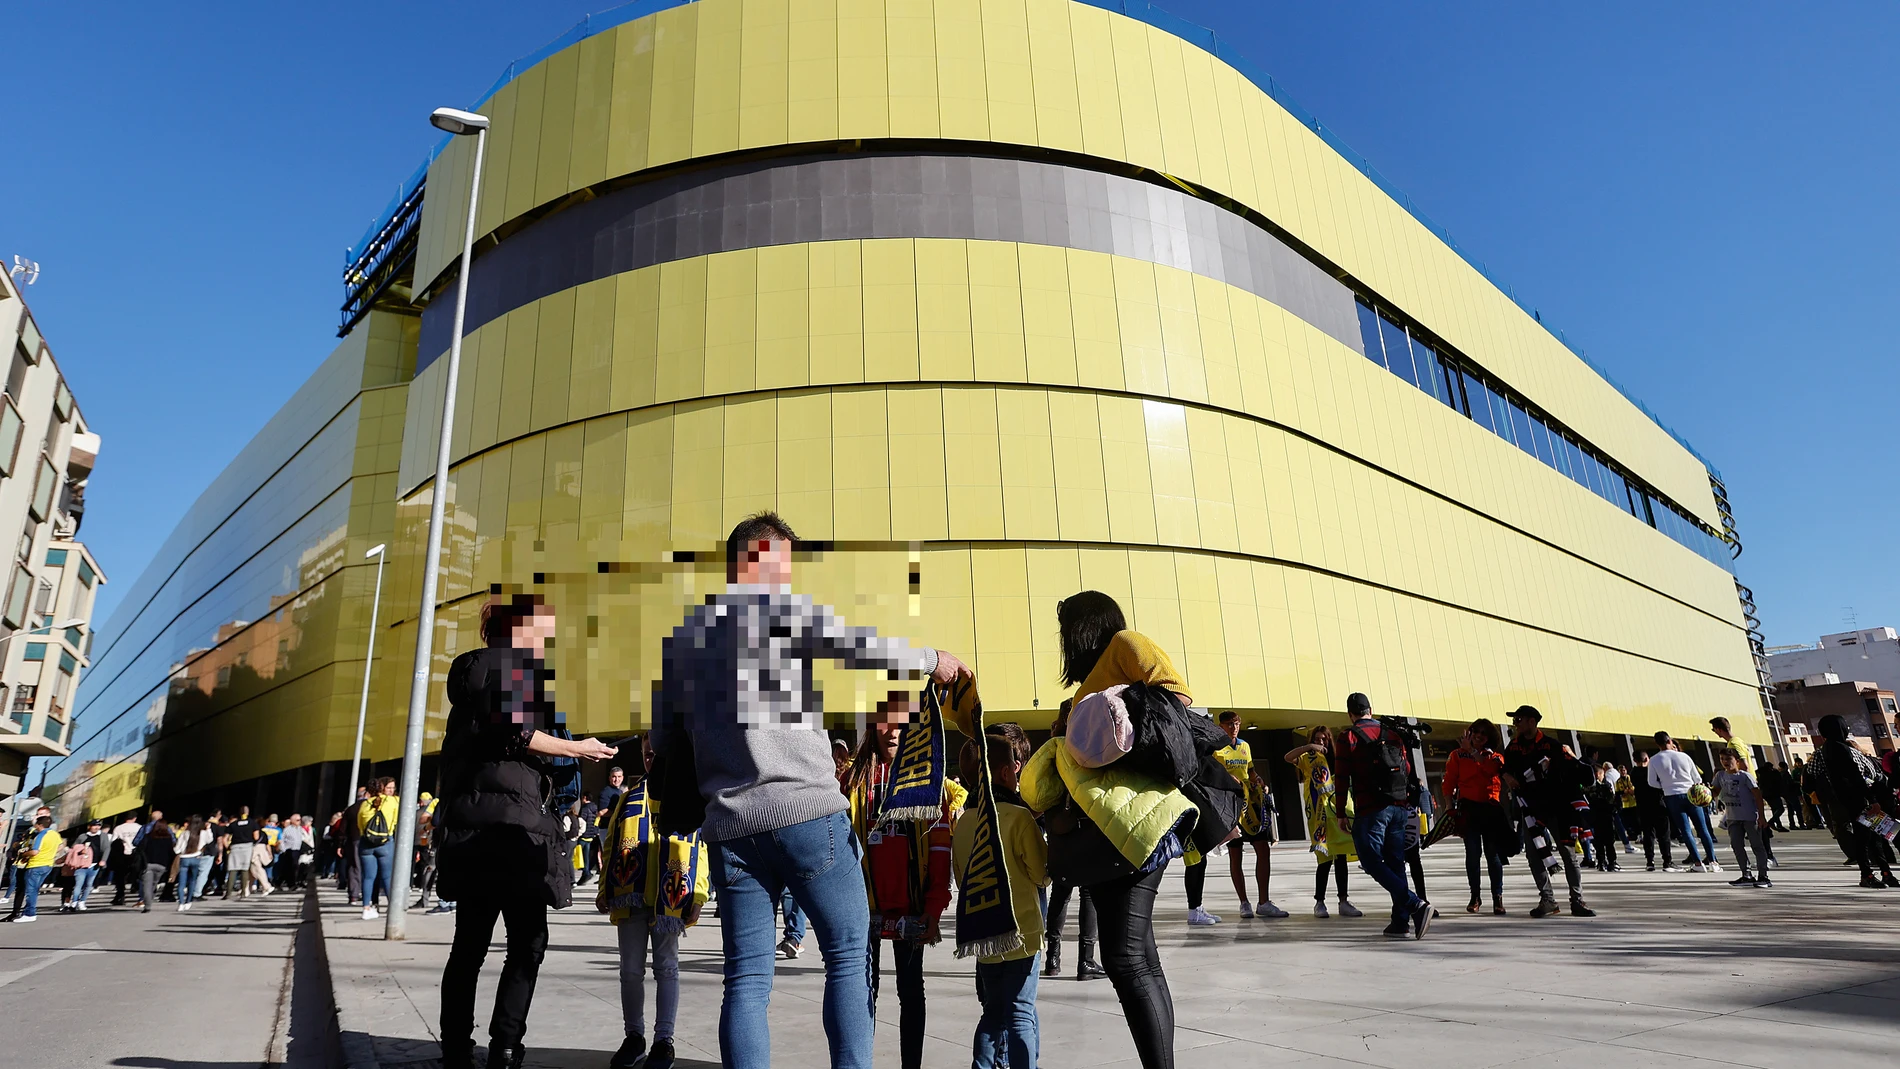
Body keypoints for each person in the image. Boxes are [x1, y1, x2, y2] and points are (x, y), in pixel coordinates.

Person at [650, 512, 965, 1069]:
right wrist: (931, 661)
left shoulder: (684, 641)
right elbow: (856, 646)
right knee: (846, 955)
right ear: (758, 557)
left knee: (745, 979)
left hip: (732, 827)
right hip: (805, 811)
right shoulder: (779, 609)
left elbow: (663, 743)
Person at [436, 593, 619, 1069]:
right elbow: (513, 731)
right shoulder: (516, 669)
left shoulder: (469, 679)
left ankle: (456, 1048)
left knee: (469, 947)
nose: (546, 638)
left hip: (471, 827)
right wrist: (576, 749)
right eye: (541, 628)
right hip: (514, 831)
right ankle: (505, 1046)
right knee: (528, 942)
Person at [1017, 590, 1197, 1069]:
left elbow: (1176, 699)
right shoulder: (1090, 681)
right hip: (1114, 826)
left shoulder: (1125, 644)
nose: (1062, 640)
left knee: (1125, 959)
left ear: (1084, 626)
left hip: (1138, 823)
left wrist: (1110, 728)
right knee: (1139, 958)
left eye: (1066, 629)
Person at [837, 690, 956, 1069]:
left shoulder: (926, 779)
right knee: (862, 994)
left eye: (901, 722)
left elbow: (939, 850)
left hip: (912, 913)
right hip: (862, 912)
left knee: (911, 994)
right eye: (885, 721)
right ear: (872, 724)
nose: (892, 731)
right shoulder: (851, 779)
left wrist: (934, 908)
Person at [599, 736, 708, 1069]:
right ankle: (634, 1037)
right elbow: (612, 843)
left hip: (670, 898)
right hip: (630, 895)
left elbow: (699, 845)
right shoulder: (628, 796)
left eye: (656, 752)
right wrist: (605, 888)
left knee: (667, 969)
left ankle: (664, 1040)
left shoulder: (688, 793)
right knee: (630, 971)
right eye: (647, 753)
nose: (651, 758)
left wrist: (699, 893)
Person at [954, 734, 1048, 1069]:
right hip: (1021, 935)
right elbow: (1041, 874)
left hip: (984, 933)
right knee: (1021, 1014)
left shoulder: (963, 822)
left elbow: (961, 875)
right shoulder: (1019, 818)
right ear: (1008, 773)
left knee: (992, 1013)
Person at [1334, 693, 1433, 938]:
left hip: (1371, 808)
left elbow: (1341, 776)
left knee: (1369, 860)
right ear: (1370, 709)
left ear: (1350, 714)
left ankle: (1415, 905)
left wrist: (1340, 812)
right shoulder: (1392, 733)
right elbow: (1407, 768)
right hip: (1398, 806)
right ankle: (1400, 922)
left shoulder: (1348, 736)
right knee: (1395, 862)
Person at [1501, 707, 1595, 918]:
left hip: (1557, 807)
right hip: (1531, 809)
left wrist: (1571, 758)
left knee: (1568, 855)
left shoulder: (1551, 745)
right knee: (1534, 857)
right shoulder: (1513, 747)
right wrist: (1507, 775)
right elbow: (1504, 767)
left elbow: (1581, 774)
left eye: (1519, 719)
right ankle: (1548, 900)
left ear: (1532, 721)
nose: (1516, 723)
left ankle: (1577, 900)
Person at [1809, 714, 1898, 888]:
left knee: (1871, 837)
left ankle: (1882, 873)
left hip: (1846, 800)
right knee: (1871, 838)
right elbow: (1855, 776)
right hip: (1860, 800)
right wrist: (1871, 799)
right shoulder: (1841, 748)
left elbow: (1812, 778)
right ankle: (1870, 874)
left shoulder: (1823, 751)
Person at [1211, 712, 1284, 920]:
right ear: (1221, 726)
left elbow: (1251, 770)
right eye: (1229, 724)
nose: (1233, 727)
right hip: (1231, 805)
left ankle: (1264, 901)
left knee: (1262, 848)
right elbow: (1211, 772)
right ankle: (1244, 902)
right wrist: (1227, 778)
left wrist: (1259, 780)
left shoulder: (1244, 746)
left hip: (1250, 805)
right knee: (1236, 854)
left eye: (1236, 724)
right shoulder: (1216, 747)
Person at [1284, 726, 1361, 918]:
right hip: (1318, 811)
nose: (1321, 742)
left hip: (1336, 809)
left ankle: (1343, 900)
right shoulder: (1307, 757)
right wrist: (1309, 746)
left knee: (1340, 855)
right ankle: (1320, 902)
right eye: (1317, 739)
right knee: (1324, 858)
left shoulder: (1336, 759)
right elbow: (1287, 757)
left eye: (1324, 739)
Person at [1441, 718, 1510, 914]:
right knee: (1472, 855)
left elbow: (1490, 770)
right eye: (1475, 731)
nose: (1478, 736)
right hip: (1468, 809)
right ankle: (1475, 896)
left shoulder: (1495, 757)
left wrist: (1472, 752)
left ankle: (1498, 897)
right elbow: (1449, 781)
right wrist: (1448, 806)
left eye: (1483, 733)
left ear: (1490, 738)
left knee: (1493, 855)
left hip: (1490, 810)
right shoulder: (1457, 755)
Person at [1648, 732, 1719, 872]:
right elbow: (1697, 778)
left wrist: (1665, 785)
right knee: (1702, 829)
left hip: (1671, 796)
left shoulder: (1654, 760)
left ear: (1657, 744)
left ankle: (1698, 863)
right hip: (1690, 793)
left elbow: (1651, 782)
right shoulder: (1684, 756)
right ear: (1669, 740)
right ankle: (1713, 861)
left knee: (1686, 831)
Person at [1711, 750, 1771, 887]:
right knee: (1737, 846)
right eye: (1722, 759)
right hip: (1732, 817)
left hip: (1749, 817)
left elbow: (1757, 796)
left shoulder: (1745, 777)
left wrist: (1761, 816)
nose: (1725, 762)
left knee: (1757, 845)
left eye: (1728, 758)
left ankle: (1763, 876)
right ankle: (1746, 874)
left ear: (1737, 760)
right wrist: (1702, 792)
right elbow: (1714, 791)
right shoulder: (1720, 776)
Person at [357, 777, 400, 920]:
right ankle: (391, 907)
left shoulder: (365, 804)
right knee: (387, 876)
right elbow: (395, 821)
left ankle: (366, 908)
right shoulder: (392, 802)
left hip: (366, 844)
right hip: (385, 842)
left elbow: (360, 825)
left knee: (368, 877)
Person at [4, 815, 61, 922]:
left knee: (31, 891)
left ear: (40, 825)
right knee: (34, 889)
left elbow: (35, 851)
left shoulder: (41, 835)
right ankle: (26, 912)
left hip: (35, 864)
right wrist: (50, 854)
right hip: (47, 864)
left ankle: (30, 914)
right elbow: (60, 846)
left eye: (36, 825)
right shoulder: (54, 834)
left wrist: (24, 854)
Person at [60, 819, 108, 913]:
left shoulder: (103, 836)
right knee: (78, 884)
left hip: (95, 864)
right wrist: (80, 852)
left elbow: (106, 848)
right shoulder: (83, 836)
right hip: (81, 865)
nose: (96, 827)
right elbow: (74, 849)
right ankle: (74, 902)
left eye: (98, 826)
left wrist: (103, 860)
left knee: (88, 885)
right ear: (89, 826)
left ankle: (82, 901)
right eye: (94, 825)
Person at [135, 813, 176, 913]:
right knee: (154, 883)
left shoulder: (147, 835)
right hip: (162, 865)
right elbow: (172, 851)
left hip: (148, 863)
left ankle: (147, 904)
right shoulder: (168, 838)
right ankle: (150, 898)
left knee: (146, 885)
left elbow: (138, 844)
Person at [175, 815, 217, 909]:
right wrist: (208, 829)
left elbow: (177, 849)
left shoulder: (184, 833)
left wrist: (178, 851)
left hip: (184, 858)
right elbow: (209, 840)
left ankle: (181, 903)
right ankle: (188, 901)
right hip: (196, 857)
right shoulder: (202, 833)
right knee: (192, 881)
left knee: (182, 882)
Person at [1587, 766, 1623, 873]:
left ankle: (1601, 862)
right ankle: (1612, 862)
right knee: (1609, 841)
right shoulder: (1605, 787)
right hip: (1606, 816)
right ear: (1599, 774)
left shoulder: (1588, 788)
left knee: (1599, 842)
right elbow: (1611, 802)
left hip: (1595, 817)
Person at [224, 807, 260, 899]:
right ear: (248, 813)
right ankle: (243, 892)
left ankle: (228, 893)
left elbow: (225, 838)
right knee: (244, 869)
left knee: (232, 869)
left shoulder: (233, 824)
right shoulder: (253, 823)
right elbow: (256, 837)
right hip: (247, 846)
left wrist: (228, 847)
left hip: (235, 847)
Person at [109, 812, 140, 905]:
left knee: (120, 877)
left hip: (123, 853)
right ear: (135, 818)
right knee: (137, 873)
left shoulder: (119, 828)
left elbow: (113, 841)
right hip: (136, 853)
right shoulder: (139, 827)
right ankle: (136, 890)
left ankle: (120, 895)